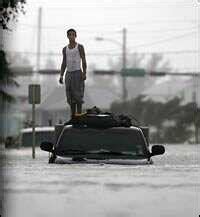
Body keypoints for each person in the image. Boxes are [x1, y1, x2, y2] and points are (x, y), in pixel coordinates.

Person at [59, 28, 87, 118]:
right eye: (69, 34)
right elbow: (64, 62)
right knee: (70, 96)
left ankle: (79, 115)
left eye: (73, 34)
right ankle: (73, 115)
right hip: (69, 74)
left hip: (77, 73)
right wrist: (61, 75)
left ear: (75, 36)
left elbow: (83, 60)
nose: (71, 36)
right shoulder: (65, 49)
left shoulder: (79, 47)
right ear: (67, 36)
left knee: (78, 95)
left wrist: (84, 72)